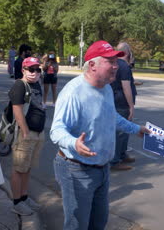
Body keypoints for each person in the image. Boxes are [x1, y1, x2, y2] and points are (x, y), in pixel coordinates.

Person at [50, 40, 149, 230]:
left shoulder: (106, 88)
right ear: (93, 65)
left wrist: (136, 129)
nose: (115, 66)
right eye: (110, 61)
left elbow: (111, 117)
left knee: (98, 223)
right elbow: (56, 130)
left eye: (116, 61)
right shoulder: (74, 92)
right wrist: (74, 143)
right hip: (76, 169)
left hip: (102, 169)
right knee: (77, 225)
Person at [9, 57, 46, 216]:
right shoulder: (19, 85)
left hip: (37, 133)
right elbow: (17, 109)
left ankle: (24, 197)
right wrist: (24, 132)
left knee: (27, 168)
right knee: (19, 169)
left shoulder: (37, 83)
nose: (35, 73)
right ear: (23, 70)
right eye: (31, 69)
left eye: (38, 69)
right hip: (25, 134)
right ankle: (17, 202)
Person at [110, 42, 137, 171]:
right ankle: (115, 160)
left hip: (115, 100)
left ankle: (122, 154)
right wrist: (131, 106)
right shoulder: (124, 66)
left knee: (124, 130)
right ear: (127, 53)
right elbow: (126, 87)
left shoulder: (116, 64)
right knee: (121, 132)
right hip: (122, 103)